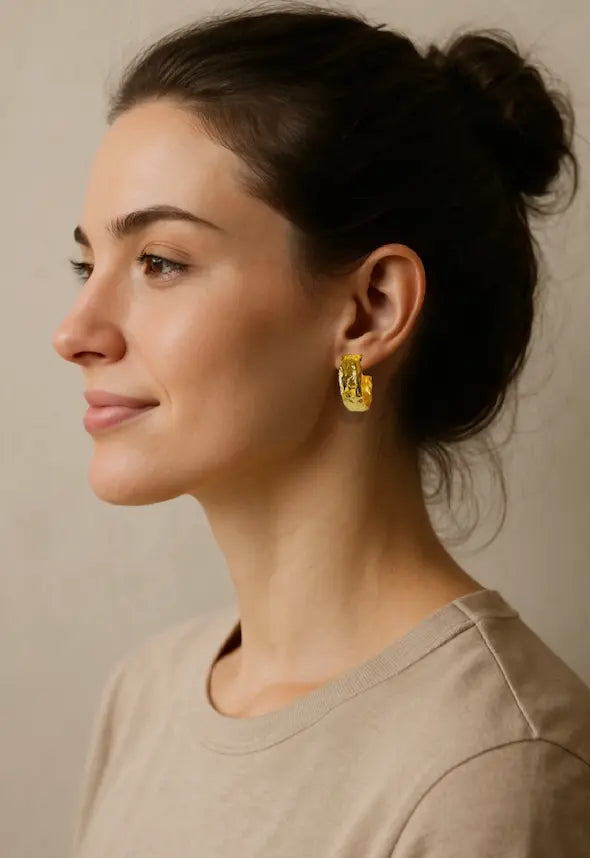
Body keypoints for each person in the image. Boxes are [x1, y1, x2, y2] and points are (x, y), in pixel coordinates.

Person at [52, 3, 590, 856]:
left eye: (159, 262)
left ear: (370, 310)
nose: (75, 330)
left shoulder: (494, 764)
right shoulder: (144, 696)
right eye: (88, 264)